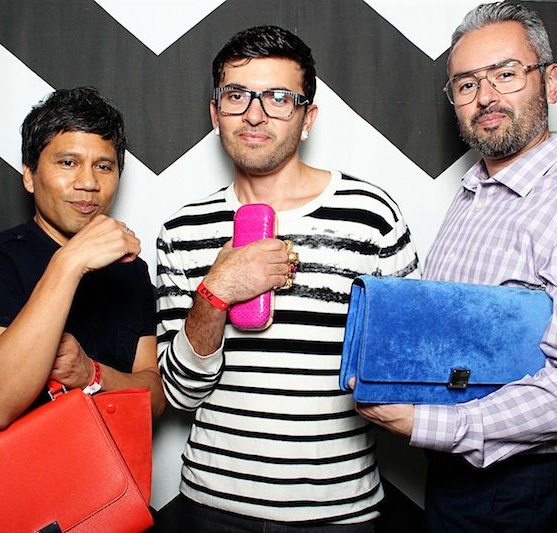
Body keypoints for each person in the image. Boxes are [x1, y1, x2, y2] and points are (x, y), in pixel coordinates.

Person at [352, 3, 557, 531]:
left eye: (506, 73)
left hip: (525, 489)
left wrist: (427, 424)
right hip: (457, 477)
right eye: (467, 84)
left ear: (551, 82)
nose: (486, 96)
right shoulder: (474, 194)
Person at [156, 25, 420, 530]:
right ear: (215, 113)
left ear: (307, 118)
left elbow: (408, 364)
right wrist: (215, 293)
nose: (254, 114)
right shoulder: (182, 230)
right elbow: (181, 393)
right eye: (236, 96)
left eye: (278, 98)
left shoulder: (371, 215)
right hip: (212, 509)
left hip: (339, 513)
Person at [0, 86, 165, 430]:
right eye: (68, 163)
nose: (88, 182)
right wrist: (70, 261)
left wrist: (91, 373)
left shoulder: (130, 269)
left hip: (113, 463)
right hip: (22, 463)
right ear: (29, 175)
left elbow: (154, 400)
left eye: (103, 166)